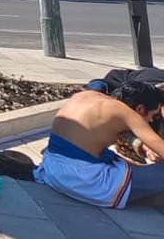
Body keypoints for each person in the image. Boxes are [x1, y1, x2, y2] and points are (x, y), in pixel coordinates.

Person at [35, 81, 164, 208]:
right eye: (154, 115)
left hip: (51, 168)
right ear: (140, 108)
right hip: (82, 181)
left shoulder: (87, 95)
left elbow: (96, 83)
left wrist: (142, 146)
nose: (152, 120)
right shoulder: (127, 113)